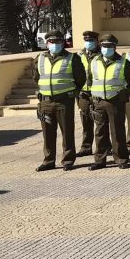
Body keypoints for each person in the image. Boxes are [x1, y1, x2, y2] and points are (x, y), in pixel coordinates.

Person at [34, 29, 85, 172]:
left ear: (63, 43)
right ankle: (48, 160)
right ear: (47, 43)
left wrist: (72, 93)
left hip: (64, 101)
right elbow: (36, 77)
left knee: (67, 131)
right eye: (51, 42)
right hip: (45, 101)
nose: (54, 44)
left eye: (57, 42)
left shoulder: (72, 58)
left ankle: (68, 160)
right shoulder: (40, 58)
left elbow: (80, 78)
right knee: (47, 132)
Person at [85, 34, 130, 170]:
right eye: (105, 46)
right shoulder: (94, 62)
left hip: (115, 102)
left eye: (110, 46)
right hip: (98, 102)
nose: (107, 48)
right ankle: (99, 160)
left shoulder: (123, 62)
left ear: (114, 47)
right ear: (101, 47)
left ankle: (121, 159)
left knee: (117, 131)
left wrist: (122, 94)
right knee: (100, 132)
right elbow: (89, 79)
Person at [76, 30, 101, 156]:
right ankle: (86, 147)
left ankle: (103, 147)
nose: (89, 43)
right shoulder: (79, 55)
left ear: (97, 41)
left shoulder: (103, 54)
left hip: (98, 94)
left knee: (101, 123)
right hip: (84, 94)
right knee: (86, 122)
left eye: (91, 40)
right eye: (86, 40)